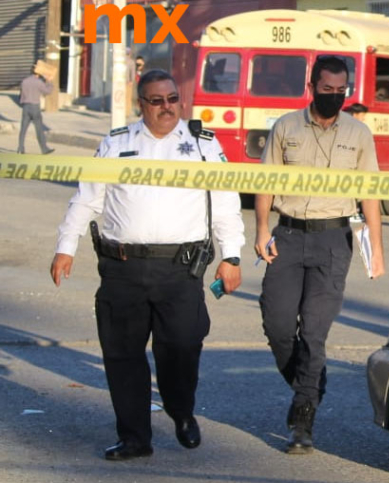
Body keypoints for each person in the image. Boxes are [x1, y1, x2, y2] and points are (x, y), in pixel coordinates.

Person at [50, 69, 244, 460]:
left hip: (179, 269)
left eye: (172, 98)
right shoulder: (116, 143)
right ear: (142, 105)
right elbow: (86, 199)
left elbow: (225, 202)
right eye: (157, 101)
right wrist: (65, 246)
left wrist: (232, 256)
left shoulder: (202, 144)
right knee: (122, 355)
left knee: (183, 345)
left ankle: (180, 408)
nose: (167, 107)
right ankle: (135, 437)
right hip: (123, 268)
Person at [254, 55, 385, 455]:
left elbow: (370, 194)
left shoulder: (359, 134)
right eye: (327, 90)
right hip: (288, 235)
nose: (334, 97)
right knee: (277, 325)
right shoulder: (286, 127)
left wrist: (376, 248)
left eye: (341, 91)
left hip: (334, 239)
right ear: (311, 87)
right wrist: (261, 229)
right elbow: (265, 183)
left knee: (314, 331)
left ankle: (303, 414)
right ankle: (310, 380)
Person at [17, 67, 54, 155]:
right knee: (39, 129)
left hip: (25, 106)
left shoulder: (24, 81)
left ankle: (20, 148)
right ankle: (44, 149)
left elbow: (21, 95)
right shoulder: (38, 82)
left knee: (23, 129)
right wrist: (49, 81)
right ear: (38, 73)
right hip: (35, 107)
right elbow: (47, 91)